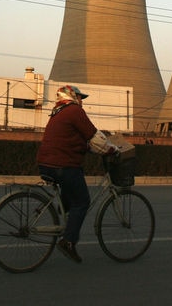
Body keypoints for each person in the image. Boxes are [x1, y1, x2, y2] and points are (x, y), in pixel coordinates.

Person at [36, 84, 117, 263]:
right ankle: (68, 241)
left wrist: (87, 147)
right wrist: (110, 149)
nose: (81, 101)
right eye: (80, 97)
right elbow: (94, 135)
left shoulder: (57, 112)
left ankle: (63, 210)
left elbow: (74, 139)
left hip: (46, 163)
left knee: (71, 192)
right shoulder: (74, 111)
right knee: (82, 202)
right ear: (72, 96)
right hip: (63, 165)